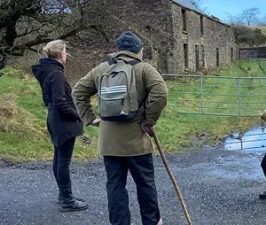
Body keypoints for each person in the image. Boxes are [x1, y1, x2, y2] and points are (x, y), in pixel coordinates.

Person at [72, 31, 167, 225]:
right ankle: (151, 222)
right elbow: (161, 92)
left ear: (119, 50)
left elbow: (78, 91)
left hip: (109, 143)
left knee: (115, 186)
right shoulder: (144, 69)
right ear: (139, 50)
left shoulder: (101, 69)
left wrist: (89, 119)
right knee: (145, 184)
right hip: (137, 142)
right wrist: (149, 120)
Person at [31, 40, 88, 212]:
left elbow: (48, 100)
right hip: (62, 121)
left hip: (54, 118)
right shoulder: (56, 73)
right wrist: (78, 116)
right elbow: (61, 102)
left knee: (59, 159)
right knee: (63, 161)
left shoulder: (47, 71)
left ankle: (64, 195)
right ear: (60, 53)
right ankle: (68, 200)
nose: (66, 54)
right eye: (65, 51)